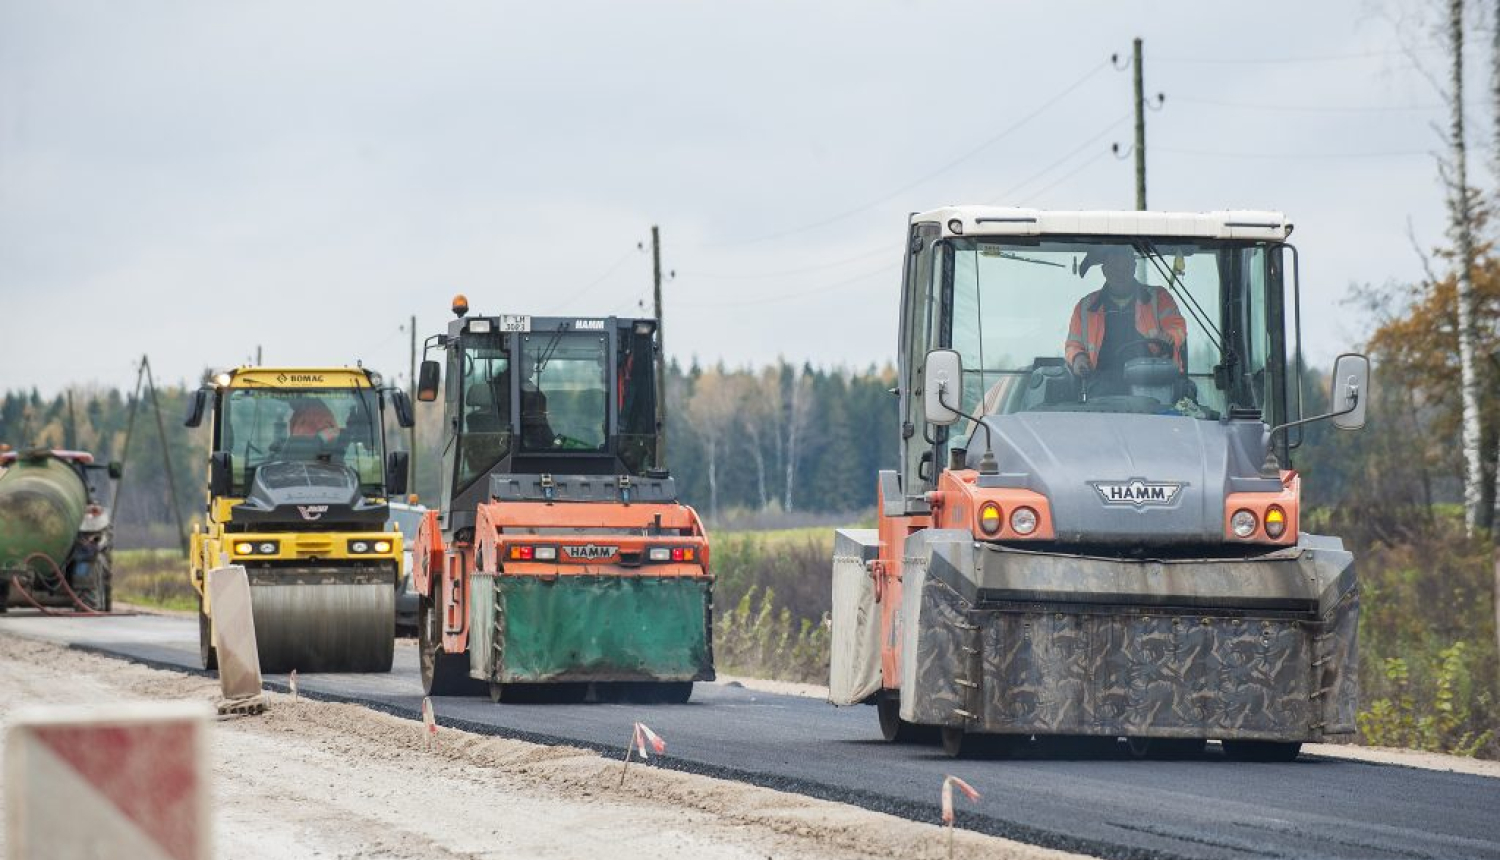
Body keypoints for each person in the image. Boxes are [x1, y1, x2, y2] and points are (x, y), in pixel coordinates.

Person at [1064, 246, 1187, 380]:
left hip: (1154, 383)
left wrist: (1169, 336)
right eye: (1114, 269)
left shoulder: (1159, 298)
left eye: (1125, 268)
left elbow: (1177, 327)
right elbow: (1073, 345)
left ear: (1134, 267)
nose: (1120, 274)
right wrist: (1078, 358)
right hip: (1100, 389)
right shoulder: (1085, 307)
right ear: (1104, 270)